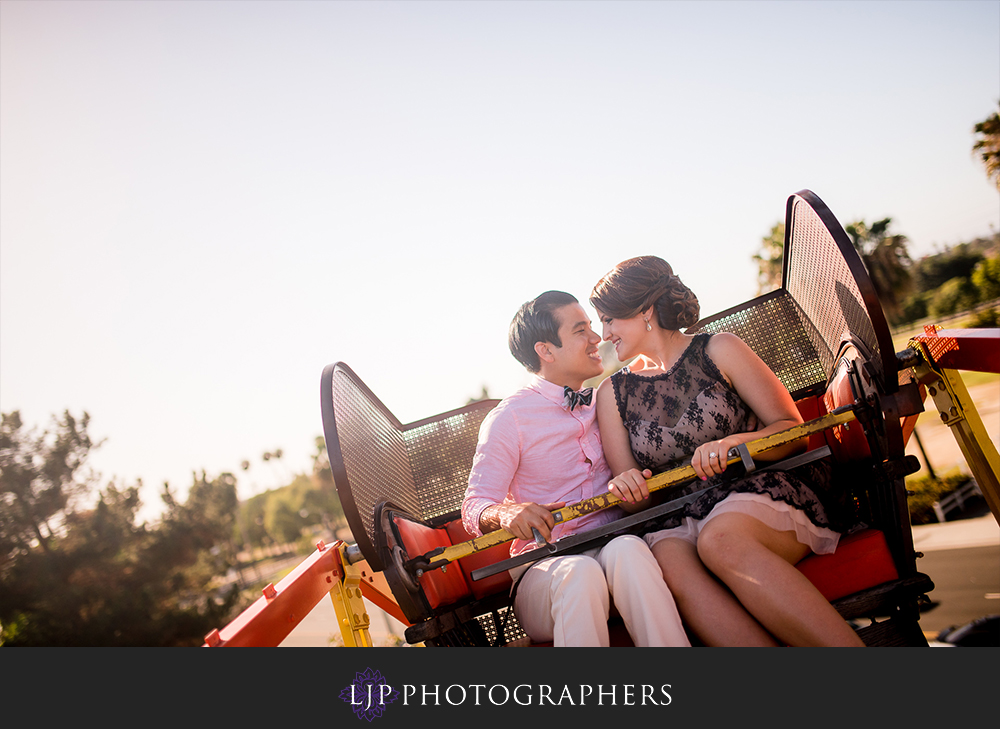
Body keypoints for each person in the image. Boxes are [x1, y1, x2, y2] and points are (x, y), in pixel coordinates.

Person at [589, 256, 865, 647]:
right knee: (669, 566)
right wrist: (628, 484)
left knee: (720, 540)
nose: (604, 333)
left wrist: (735, 443)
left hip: (755, 491)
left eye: (609, 319)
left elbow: (794, 433)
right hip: (675, 516)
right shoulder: (612, 394)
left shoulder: (719, 349)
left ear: (645, 311)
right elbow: (636, 501)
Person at [461, 290, 690, 647]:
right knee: (579, 572)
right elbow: (474, 506)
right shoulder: (509, 418)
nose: (597, 338)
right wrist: (507, 513)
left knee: (629, 548)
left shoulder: (607, 401)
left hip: (614, 549)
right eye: (581, 330)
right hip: (546, 572)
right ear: (546, 351)